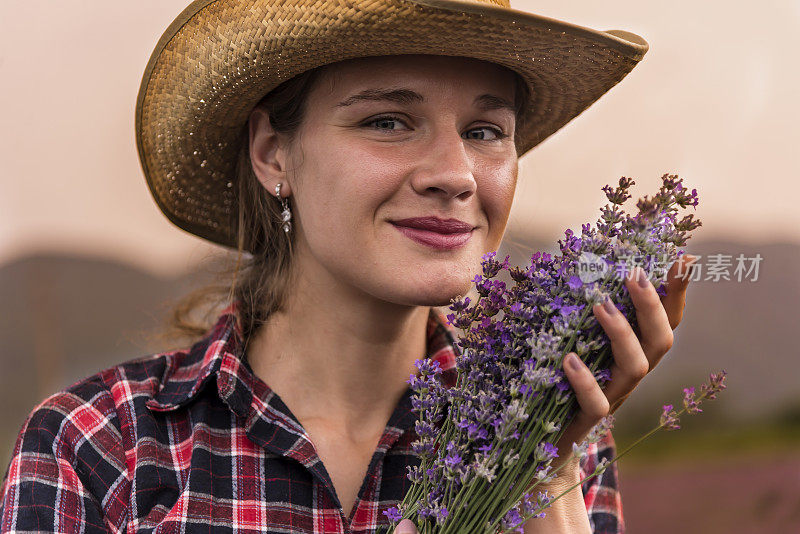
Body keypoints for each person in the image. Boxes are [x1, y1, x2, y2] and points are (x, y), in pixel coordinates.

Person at [0, 1, 696, 532]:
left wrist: (545, 468)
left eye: (485, 132)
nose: (455, 175)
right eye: (388, 122)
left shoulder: (553, 429)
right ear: (275, 154)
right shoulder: (102, 446)